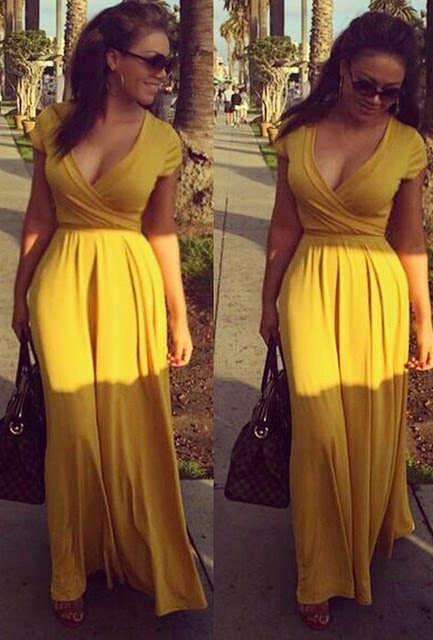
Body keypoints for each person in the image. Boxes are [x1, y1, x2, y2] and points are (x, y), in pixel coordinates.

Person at [11, 1, 208, 627]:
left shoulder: (164, 141)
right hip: (61, 283)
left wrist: (178, 316)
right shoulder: (55, 124)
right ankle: (71, 564)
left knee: (129, 432)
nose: (164, 73)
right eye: (154, 61)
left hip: (129, 286)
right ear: (113, 59)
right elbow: (39, 216)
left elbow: (162, 233)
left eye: (169, 63)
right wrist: (20, 294)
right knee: (73, 433)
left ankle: (135, 552)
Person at [260, 11, 433, 630]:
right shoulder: (297, 134)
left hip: (376, 289)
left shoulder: (406, 143)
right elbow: (282, 226)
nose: (377, 100)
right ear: (341, 71)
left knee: (365, 428)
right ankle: (318, 570)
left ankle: (360, 527)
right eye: (366, 85)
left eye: (391, 91)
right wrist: (268, 301)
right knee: (320, 432)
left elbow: (410, 237)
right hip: (308, 284)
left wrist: (423, 320)